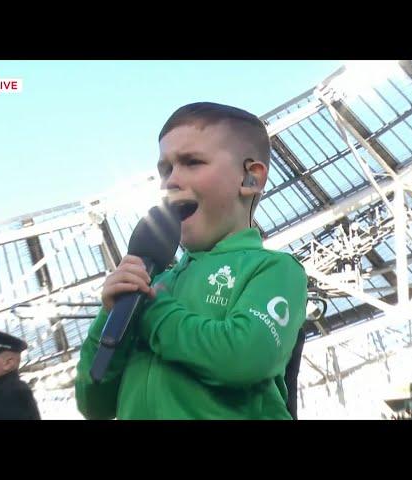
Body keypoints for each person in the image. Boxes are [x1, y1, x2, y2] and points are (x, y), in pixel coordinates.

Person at [75, 102, 308, 419]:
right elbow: (94, 405)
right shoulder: (153, 284)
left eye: (192, 162)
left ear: (251, 179)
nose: (170, 181)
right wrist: (111, 317)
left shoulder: (275, 270)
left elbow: (243, 357)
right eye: (165, 169)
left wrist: (152, 311)